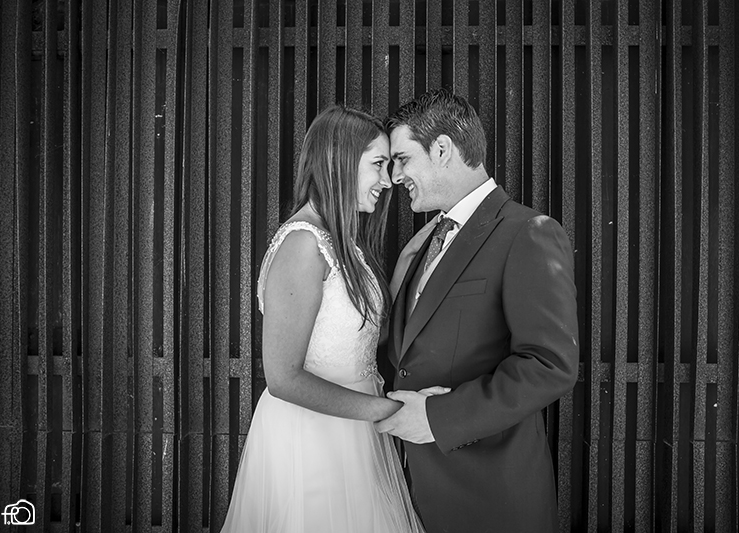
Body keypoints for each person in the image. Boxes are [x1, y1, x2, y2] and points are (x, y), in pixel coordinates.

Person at [221, 105, 437, 533]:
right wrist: (392, 410)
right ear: (339, 160)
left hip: (354, 432)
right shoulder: (303, 245)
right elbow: (283, 378)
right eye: (378, 164)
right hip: (312, 438)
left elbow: (358, 340)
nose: (388, 180)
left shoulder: (343, 243)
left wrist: (409, 262)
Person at [375, 88, 580, 532]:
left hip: (490, 499)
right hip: (414, 495)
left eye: (403, 159)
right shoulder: (427, 240)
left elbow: (550, 365)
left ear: (442, 149)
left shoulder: (528, 232)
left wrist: (437, 418)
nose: (395, 176)